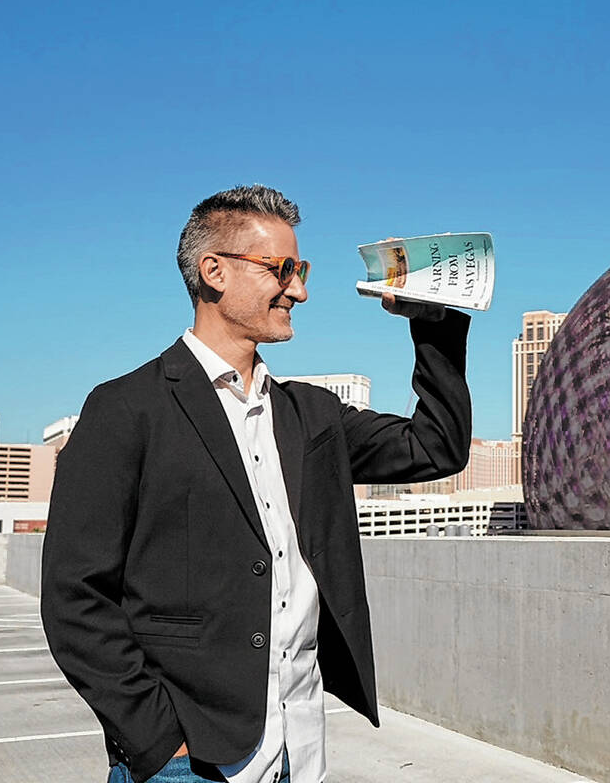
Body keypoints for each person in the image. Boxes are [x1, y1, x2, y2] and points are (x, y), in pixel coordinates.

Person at [40, 185, 472, 783]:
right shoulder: (126, 409)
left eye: (301, 270)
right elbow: (75, 595)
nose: (299, 290)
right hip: (191, 759)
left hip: (301, 747)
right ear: (214, 271)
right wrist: (157, 739)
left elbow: (436, 446)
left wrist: (435, 324)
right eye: (282, 269)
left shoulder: (312, 415)